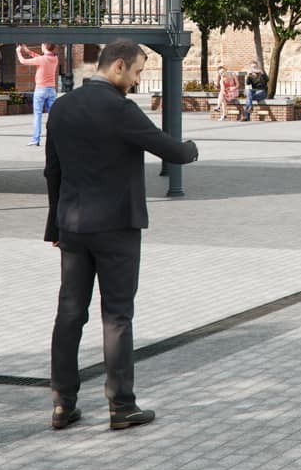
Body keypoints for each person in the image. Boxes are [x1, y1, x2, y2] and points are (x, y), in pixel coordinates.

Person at [44, 39, 202, 431]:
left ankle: (63, 403)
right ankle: (121, 406)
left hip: (73, 227)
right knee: (116, 316)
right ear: (117, 66)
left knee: (69, 314)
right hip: (117, 227)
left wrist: (55, 227)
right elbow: (172, 151)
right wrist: (192, 147)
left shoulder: (62, 107)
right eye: (136, 73)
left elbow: (53, 172)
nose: (136, 81)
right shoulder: (120, 110)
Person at [17, 43, 60, 147]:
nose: (41, 46)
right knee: (53, 115)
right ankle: (57, 138)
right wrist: (28, 51)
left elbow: (23, 61)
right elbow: (41, 58)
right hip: (52, 90)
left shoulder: (41, 60)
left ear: (45, 47)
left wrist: (18, 51)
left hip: (40, 89)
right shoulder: (55, 58)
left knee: (38, 115)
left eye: (42, 45)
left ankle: (36, 139)